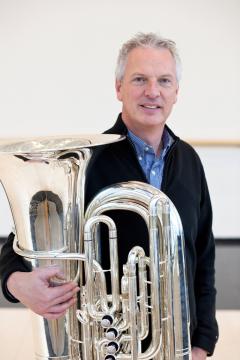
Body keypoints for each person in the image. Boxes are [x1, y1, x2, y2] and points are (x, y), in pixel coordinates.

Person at [0, 32, 218, 359]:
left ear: (177, 92)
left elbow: (203, 255)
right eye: (139, 79)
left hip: (176, 348)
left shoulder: (188, 161)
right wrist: (16, 282)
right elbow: (20, 245)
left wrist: (201, 342)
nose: (153, 91)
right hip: (102, 348)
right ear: (118, 88)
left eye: (164, 81)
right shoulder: (84, 161)